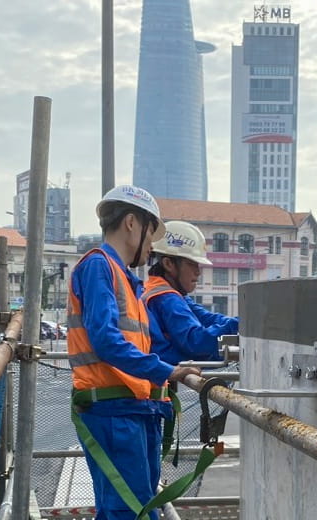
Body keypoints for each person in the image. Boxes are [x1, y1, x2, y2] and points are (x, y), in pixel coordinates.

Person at [68, 186, 201, 520]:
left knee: (136, 506)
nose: (152, 246)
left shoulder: (127, 279)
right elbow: (106, 341)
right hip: (115, 410)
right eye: (150, 232)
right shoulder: (100, 267)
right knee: (127, 510)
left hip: (133, 408)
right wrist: (166, 371)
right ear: (131, 222)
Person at [141, 221, 239, 367]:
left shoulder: (165, 291)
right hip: (172, 379)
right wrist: (241, 324)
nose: (198, 272)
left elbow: (206, 318)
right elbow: (196, 342)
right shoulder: (166, 298)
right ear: (169, 264)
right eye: (192, 264)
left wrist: (238, 323)